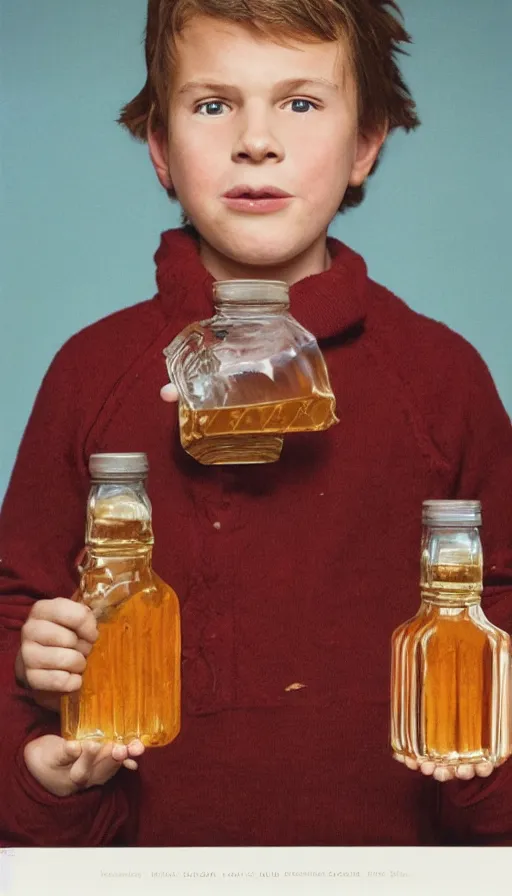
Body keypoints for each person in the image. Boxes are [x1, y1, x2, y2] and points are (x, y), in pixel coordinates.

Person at [1, 0, 512, 847]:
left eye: (301, 103)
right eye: (213, 104)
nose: (256, 140)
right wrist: (37, 764)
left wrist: (483, 771)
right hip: (141, 866)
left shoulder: (441, 376)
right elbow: (17, 613)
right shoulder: (91, 371)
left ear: (366, 147)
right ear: (161, 152)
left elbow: (499, 602)